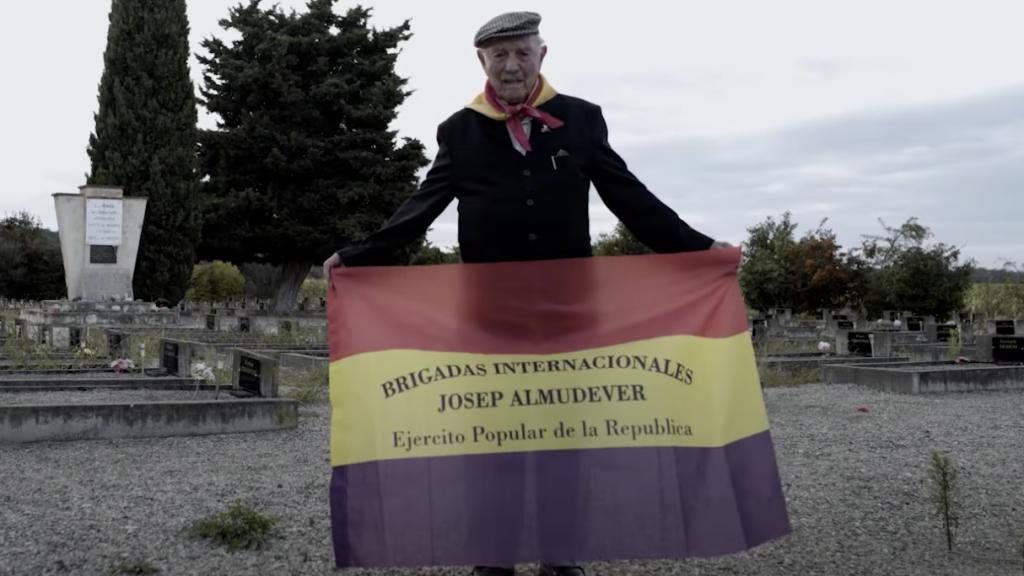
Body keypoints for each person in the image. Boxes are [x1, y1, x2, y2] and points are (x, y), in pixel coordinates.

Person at [323, 11, 728, 576]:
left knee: (566, 437)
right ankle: (495, 554)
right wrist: (358, 256)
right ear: (482, 61)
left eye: (521, 52)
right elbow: (422, 207)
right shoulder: (459, 130)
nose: (511, 65)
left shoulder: (582, 119)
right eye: (499, 55)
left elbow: (630, 198)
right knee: (493, 438)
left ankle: (562, 553)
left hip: (569, 314)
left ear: (542, 55)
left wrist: (701, 250)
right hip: (489, 317)